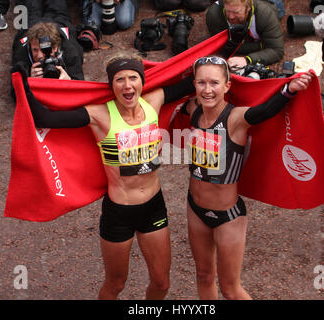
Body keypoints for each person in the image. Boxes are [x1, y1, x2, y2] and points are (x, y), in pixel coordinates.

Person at [12, 52, 194, 299]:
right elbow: (46, 118)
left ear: (142, 81)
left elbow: (196, 78)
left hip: (154, 207)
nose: (127, 85)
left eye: (133, 78)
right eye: (120, 79)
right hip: (119, 212)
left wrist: (232, 44)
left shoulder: (154, 101)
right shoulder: (100, 115)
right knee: (116, 284)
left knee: (161, 283)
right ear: (112, 85)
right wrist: (22, 81)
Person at [181, 56, 313, 299]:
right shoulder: (193, 111)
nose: (207, 90)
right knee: (203, 276)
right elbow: (170, 96)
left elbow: (265, 111)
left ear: (227, 86)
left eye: (214, 83)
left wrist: (289, 90)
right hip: (195, 209)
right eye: (201, 83)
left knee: (231, 289)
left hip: (227, 217)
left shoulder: (236, 118)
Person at [11, 0, 84, 84]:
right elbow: (16, 89)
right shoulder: (22, 53)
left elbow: (79, 82)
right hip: (32, 25)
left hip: (58, 21)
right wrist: (29, 80)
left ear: (55, 47)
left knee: (56, 5)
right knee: (32, 5)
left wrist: (69, 81)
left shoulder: (69, 50)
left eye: (44, 49)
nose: (39, 56)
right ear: (29, 45)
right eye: (35, 50)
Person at [206, 0, 284, 69]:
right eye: (228, 11)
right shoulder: (214, 15)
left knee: (278, 11)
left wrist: (247, 59)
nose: (231, 17)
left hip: (266, 7)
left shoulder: (265, 13)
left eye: (236, 12)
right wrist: (260, 45)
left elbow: (277, 50)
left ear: (248, 8)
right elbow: (222, 47)